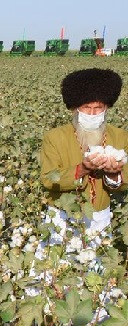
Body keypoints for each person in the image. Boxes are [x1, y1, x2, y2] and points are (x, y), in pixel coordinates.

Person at [40, 68, 127, 249]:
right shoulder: (55, 137)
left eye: (98, 108)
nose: (93, 114)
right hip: (63, 218)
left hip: (100, 218)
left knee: (97, 264)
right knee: (59, 263)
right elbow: (48, 179)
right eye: (87, 108)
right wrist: (82, 169)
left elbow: (125, 181)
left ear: (107, 108)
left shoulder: (120, 137)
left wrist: (113, 174)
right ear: (75, 109)